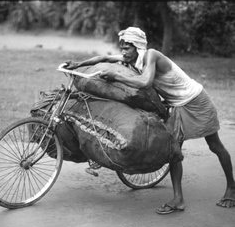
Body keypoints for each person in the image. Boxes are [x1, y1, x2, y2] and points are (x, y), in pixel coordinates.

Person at [65, 26, 235, 214]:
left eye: (126, 48)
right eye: (121, 48)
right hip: (177, 105)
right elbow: (103, 58)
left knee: (215, 146)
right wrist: (77, 64)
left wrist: (117, 76)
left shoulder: (151, 55)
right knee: (174, 150)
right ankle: (178, 199)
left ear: (137, 46)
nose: (122, 52)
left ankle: (231, 188)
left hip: (196, 100)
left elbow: (145, 81)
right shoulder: (133, 59)